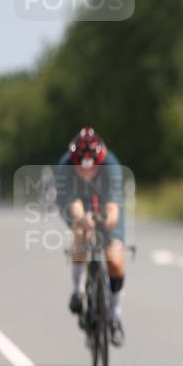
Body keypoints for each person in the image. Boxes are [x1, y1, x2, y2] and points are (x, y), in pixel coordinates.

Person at [57, 127, 127, 346]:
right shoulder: (65, 166)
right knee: (80, 234)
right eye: (81, 167)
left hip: (104, 201)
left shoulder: (110, 164)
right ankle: (77, 291)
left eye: (91, 167)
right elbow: (69, 201)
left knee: (114, 259)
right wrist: (82, 218)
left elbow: (114, 203)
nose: (86, 172)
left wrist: (109, 219)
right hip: (78, 201)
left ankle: (115, 313)